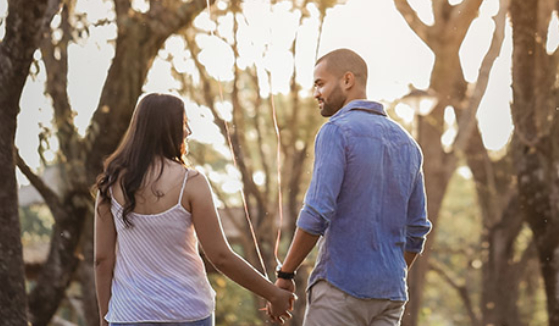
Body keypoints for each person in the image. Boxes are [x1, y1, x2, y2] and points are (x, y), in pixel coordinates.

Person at [94, 93, 295, 326]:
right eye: (184, 124)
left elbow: (102, 259)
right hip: (188, 313)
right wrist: (273, 293)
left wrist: (104, 318)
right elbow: (220, 256)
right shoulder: (191, 182)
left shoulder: (110, 185)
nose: (188, 132)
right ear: (167, 129)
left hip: (130, 314)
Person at [272, 49, 432, 326]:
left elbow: (317, 213)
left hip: (340, 291)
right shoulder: (409, 145)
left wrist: (285, 275)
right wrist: (384, 274)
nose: (316, 93)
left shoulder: (336, 130)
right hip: (390, 296)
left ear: (347, 80)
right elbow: (417, 230)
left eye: (320, 83)